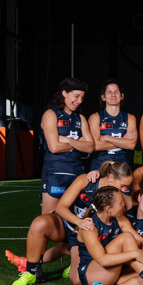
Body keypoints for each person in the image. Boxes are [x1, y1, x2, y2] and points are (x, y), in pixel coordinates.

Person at [8, 161, 134, 285]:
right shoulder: (86, 180)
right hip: (66, 225)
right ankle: (31, 272)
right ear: (111, 178)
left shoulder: (118, 198)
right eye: (123, 185)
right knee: (39, 223)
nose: (124, 190)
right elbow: (61, 207)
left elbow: (124, 210)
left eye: (126, 187)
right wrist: (79, 221)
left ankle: (66, 251)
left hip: (83, 236)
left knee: (78, 281)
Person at [78, 186, 143, 285]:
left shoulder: (119, 219)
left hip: (113, 271)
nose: (124, 205)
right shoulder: (89, 227)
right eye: (121, 202)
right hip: (93, 274)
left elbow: (140, 240)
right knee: (126, 237)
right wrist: (134, 254)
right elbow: (102, 260)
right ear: (109, 208)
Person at [39, 77, 94, 214]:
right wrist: (78, 143)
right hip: (55, 173)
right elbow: (54, 147)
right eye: (76, 96)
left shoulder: (80, 118)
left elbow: (90, 147)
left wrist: (67, 140)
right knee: (50, 216)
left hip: (77, 173)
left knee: (76, 215)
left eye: (82, 97)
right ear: (64, 93)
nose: (79, 101)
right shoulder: (50, 114)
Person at [88, 79, 137, 171]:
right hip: (100, 166)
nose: (113, 95)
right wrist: (123, 141)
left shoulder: (130, 118)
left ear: (122, 96)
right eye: (109, 92)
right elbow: (95, 146)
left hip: (122, 167)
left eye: (116, 92)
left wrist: (107, 137)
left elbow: (131, 144)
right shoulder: (95, 117)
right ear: (103, 97)